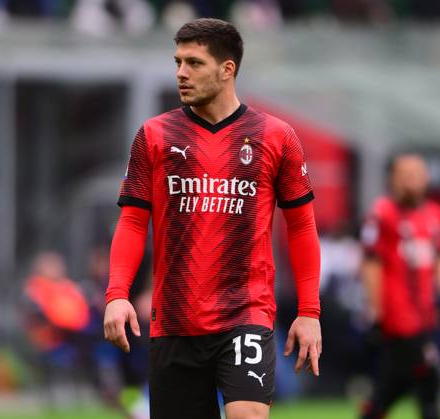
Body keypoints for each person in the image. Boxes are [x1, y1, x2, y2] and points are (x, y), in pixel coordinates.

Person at [103, 18, 322, 419]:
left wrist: (309, 312)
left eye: (194, 63)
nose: (181, 73)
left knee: (247, 415)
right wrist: (117, 294)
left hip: (246, 313)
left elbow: (302, 226)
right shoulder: (154, 135)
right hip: (174, 320)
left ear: (227, 69)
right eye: (178, 62)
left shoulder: (276, 137)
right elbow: (133, 222)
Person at [359, 153, 440, 419]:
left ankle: (372, 412)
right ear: (393, 179)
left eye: (416, 175)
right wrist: (376, 310)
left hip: (425, 315)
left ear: (426, 179)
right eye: (405, 176)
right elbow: (371, 264)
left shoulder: (435, 215)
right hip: (398, 317)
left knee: (395, 383)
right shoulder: (382, 213)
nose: (410, 182)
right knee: (429, 377)